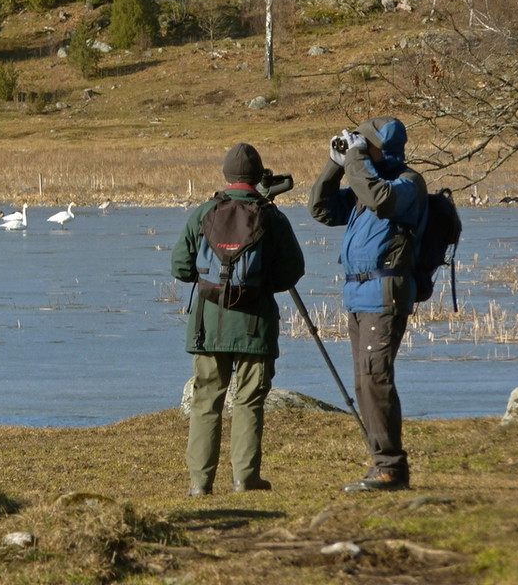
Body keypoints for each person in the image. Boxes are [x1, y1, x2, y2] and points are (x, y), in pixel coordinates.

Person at [172, 143, 305, 496]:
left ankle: (200, 484)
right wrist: (259, 286)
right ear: (257, 175)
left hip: (208, 325)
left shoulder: (203, 213)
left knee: (206, 401)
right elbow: (294, 270)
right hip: (255, 325)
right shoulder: (271, 216)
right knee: (248, 401)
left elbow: (180, 267)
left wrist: (213, 283)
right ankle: (245, 478)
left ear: (226, 176)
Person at [308, 116, 427, 492]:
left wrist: (356, 160)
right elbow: (322, 210)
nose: (361, 145)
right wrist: (334, 164)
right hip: (358, 294)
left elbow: (380, 199)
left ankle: (391, 467)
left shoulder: (407, 184)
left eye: (367, 142)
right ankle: (382, 463)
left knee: (375, 378)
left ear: (383, 148)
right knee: (364, 381)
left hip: (384, 291)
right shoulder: (365, 182)